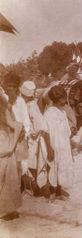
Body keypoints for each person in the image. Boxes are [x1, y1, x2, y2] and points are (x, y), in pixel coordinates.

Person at [40, 86, 73, 201]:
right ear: (58, 99)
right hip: (54, 145)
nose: (65, 101)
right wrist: (49, 149)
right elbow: (46, 132)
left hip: (63, 145)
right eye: (64, 99)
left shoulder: (63, 112)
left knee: (62, 168)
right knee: (53, 168)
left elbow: (66, 130)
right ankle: (52, 193)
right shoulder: (49, 113)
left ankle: (59, 192)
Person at [20, 81, 48, 194]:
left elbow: (38, 122)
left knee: (34, 161)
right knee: (27, 161)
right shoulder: (24, 104)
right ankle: (29, 185)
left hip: (35, 138)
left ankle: (34, 185)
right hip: (28, 137)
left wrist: (33, 132)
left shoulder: (33, 105)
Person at [0, 88, 24, 220]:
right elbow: (15, 125)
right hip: (4, 144)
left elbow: (13, 125)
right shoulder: (3, 109)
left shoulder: (3, 109)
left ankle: (6, 210)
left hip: (3, 145)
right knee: (6, 178)